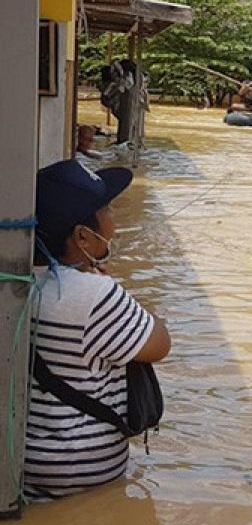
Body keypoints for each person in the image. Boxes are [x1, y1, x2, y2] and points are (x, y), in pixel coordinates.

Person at [25, 160, 171, 500]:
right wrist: (113, 287)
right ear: (82, 236)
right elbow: (159, 344)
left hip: (26, 461)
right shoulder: (94, 294)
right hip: (82, 474)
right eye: (108, 212)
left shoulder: (20, 281)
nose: (115, 225)